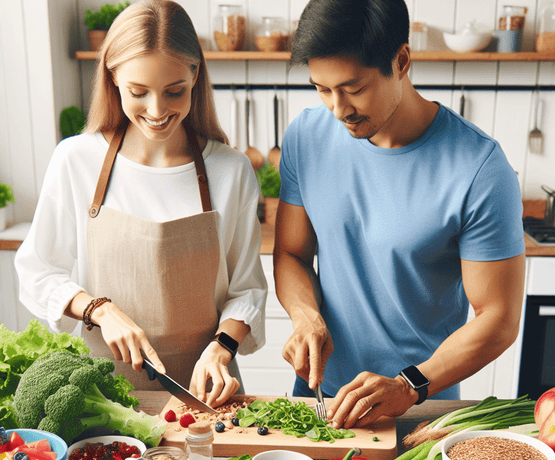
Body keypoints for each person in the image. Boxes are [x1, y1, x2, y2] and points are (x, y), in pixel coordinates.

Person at [273, 0, 526, 429]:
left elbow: (499, 319)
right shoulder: (305, 136)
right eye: (322, 88)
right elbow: (291, 254)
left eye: (353, 88)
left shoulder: (480, 168)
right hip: (317, 400)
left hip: (417, 408)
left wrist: (409, 385)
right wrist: (306, 317)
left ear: (401, 60)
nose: (338, 109)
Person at [15, 0, 267, 406]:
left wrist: (222, 347)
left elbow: (247, 290)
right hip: (102, 398)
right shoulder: (76, 160)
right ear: (113, 76)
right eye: (138, 92)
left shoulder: (230, 170)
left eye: (174, 92)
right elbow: (37, 271)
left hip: (204, 399)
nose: (156, 111)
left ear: (195, 75)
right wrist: (99, 309)